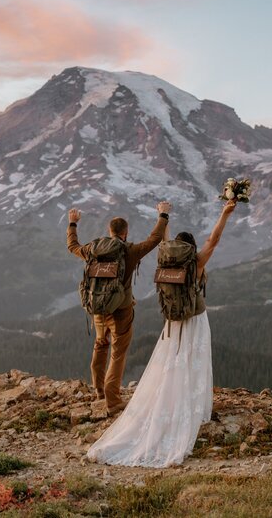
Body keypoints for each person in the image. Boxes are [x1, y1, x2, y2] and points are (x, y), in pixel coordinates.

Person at [87, 199, 237, 467]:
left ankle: (167, 401)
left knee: (171, 364)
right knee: (194, 362)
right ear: (191, 247)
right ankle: (192, 406)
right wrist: (225, 213)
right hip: (196, 320)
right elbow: (213, 240)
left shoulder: (169, 259)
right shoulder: (197, 263)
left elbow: (166, 240)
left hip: (173, 322)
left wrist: (163, 216)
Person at [67, 201, 172, 415]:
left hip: (98, 309)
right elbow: (154, 240)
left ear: (110, 231)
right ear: (125, 233)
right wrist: (163, 216)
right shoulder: (129, 251)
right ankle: (113, 401)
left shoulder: (93, 250)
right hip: (121, 311)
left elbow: (73, 246)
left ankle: (99, 391)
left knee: (100, 346)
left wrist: (72, 224)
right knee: (118, 354)